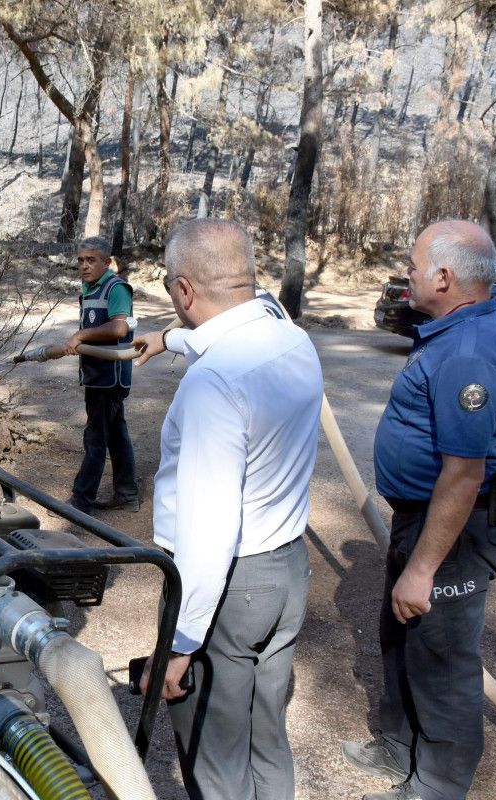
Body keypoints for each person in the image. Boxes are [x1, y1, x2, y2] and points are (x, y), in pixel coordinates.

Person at [133, 219, 323, 800]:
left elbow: (209, 527)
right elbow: (231, 329)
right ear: (252, 276)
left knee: (215, 759)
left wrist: (182, 642)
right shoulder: (286, 334)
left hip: (230, 587)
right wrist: (170, 338)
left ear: (183, 291)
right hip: (285, 570)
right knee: (265, 736)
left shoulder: (214, 384)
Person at [341, 220, 496, 800]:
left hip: (451, 527)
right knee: (402, 636)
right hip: (423, 520)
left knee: (442, 658)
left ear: (444, 278)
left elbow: (465, 473)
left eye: (415, 265)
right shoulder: (454, 332)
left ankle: (438, 785)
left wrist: (423, 568)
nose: (408, 273)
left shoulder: (468, 352)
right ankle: (398, 746)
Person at [63, 236, 139, 513]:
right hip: (97, 374)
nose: (83, 266)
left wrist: (81, 334)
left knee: (95, 438)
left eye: (91, 260)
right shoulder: (90, 287)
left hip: (110, 376)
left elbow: (120, 328)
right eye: (80, 260)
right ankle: (127, 494)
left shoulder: (116, 288)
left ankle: (80, 501)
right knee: (116, 434)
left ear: (107, 262)